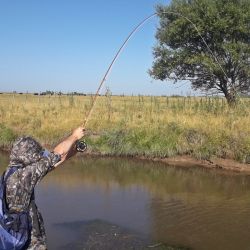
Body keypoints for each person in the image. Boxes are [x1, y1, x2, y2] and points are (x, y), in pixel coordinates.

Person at [4, 126, 85, 250]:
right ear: (28, 156)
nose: (39, 158)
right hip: (27, 241)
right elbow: (57, 154)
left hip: (18, 234)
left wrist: (72, 153)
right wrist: (74, 136)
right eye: (36, 156)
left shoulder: (13, 172)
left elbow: (49, 165)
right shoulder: (23, 176)